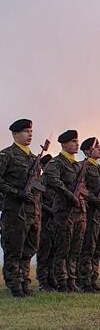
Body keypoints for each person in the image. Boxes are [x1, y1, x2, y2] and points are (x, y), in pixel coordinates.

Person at [0, 119, 43, 297]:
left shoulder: (34, 159)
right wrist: (16, 192)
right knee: (14, 250)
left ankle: (25, 283)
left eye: (31, 131)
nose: (30, 134)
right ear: (15, 134)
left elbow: (39, 186)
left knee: (29, 250)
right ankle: (15, 286)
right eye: (26, 131)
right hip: (14, 212)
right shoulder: (6, 155)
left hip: (33, 212)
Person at [44, 129, 87, 292]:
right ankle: (61, 280)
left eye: (77, 141)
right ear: (63, 144)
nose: (76, 144)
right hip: (64, 211)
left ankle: (71, 279)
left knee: (75, 248)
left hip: (79, 212)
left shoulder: (78, 165)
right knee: (63, 247)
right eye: (73, 141)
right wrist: (70, 195)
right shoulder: (56, 163)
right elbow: (52, 180)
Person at [77, 137, 100, 293]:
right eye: (96, 147)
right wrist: (93, 199)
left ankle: (93, 278)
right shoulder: (82, 167)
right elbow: (80, 188)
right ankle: (84, 280)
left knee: (99, 248)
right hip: (90, 212)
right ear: (87, 151)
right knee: (88, 247)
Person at [36, 154, 56, 291]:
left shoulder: (55, 182)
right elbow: (38, 202)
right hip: (45, 220)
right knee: (44, 252)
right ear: (43, 167)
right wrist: (50, 211)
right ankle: (43, 281)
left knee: (54, 251)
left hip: (56, 221)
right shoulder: (40, 182)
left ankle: (51, 278)